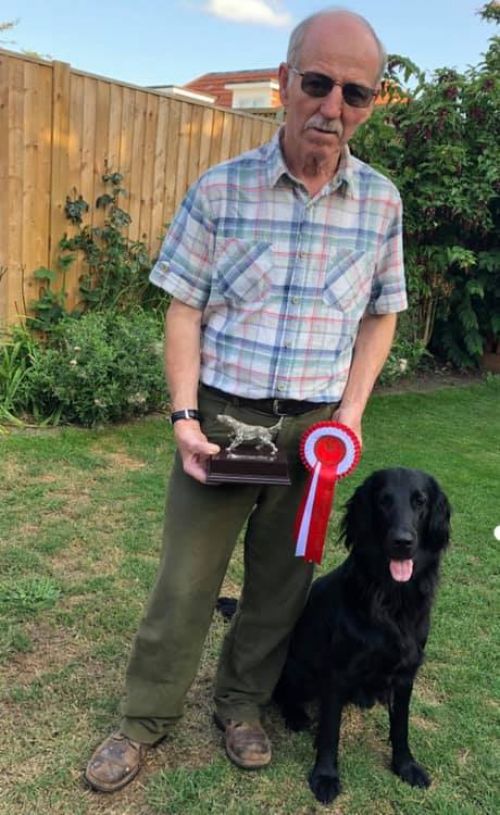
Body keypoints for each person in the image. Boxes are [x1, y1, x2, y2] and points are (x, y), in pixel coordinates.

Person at [85, 7, 407, 792]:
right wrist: (185, 415)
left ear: (372, 103)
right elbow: (184, 307)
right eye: (318, 82)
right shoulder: (220, 190)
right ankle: (142, 719)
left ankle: (241, 705)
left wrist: (351, 415)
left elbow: (381, 313)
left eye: (355, 93)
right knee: (187, 580)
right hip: (225, 419)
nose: (332, 107)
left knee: (280, 584)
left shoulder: (381, 205)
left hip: (313, 436)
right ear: (284, 83)